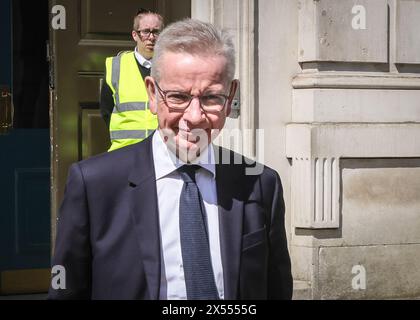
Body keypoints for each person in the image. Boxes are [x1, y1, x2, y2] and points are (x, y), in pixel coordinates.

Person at [48, 19, 293, 300]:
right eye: (177, 97)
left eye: (212, 97)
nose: (194, 116)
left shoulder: (260, 184)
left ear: (230, 97)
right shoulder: (94, 185)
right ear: (152, 93)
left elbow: (276, 288)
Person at [100, 9, 164, 152]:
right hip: (125, 150)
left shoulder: (172, 66)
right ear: (135, 35)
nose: (151, 37)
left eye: (156, 32)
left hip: (162, 150)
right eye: (146, 31)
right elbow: (106, 110)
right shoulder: (116, 65)